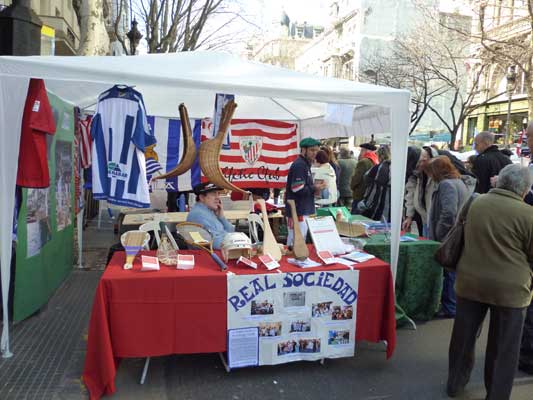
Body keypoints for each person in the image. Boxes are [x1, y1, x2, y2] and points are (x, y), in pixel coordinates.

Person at [447, 164, 533, 399]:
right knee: (504, 347)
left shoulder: (475, 202)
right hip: (510, 291)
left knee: (463, 338)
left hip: (469, 282)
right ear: (525, 189)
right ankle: (496, 394)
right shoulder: (528, 214)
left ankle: (454, 383)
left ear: (498, 181)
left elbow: (459, 231)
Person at [425, 156, 471, 318]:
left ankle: (450, 307)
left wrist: (439, 234)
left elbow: (448, 213)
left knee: (448, 271)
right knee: (451, 271)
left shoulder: (446, 185)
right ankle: (451, 305)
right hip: (455, 233)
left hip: (447, 235)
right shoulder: (459, 182)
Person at [285, 137, 326, 246]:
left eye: (317, 150)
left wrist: (314, 188)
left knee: (298, 240)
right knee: (296, 241)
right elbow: (297, 188)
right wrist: (315, 187)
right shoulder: (300, 165)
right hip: (298, 211)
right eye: (312, 150)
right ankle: (292, 260)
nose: (315, 153)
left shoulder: (304, 164)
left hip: (302, 209)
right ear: (303, 150)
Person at [186, 183, 235, 249]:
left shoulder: (208, 212)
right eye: (213, 194)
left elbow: (231, 232)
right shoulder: (199, 215)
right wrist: (234, 241)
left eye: (218, 194)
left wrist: (221, 217)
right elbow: (215, 243)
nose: (218, 197)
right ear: (202, 198)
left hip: (219, 253)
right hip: (208, 256)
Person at [358, 145, 391, 221]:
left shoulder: (378, 168)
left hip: (377, 208)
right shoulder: (395, 168)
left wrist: (365, 204)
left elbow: (372, 188)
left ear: (379, 155)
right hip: (391, 210)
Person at [350, 143, 378, 214]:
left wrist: (352, 187)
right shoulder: (375, 161)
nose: (360, 153)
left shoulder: (363, 162)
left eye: (361, 151)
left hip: (360, 193)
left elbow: (356, 178)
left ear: (365, 151)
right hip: (369, 194)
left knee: (355, 216)